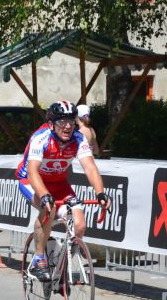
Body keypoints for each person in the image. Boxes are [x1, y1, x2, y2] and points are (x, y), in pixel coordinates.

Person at [16, 100, 111, 281]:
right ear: (51, 124)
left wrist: (100, 193)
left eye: (71, 121)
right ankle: (39, 259)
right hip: (31, 181)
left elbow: (90, 168)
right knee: (48, 209)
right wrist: (44, 196)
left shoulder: (78, 138)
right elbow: (32, 171)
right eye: (62, 122)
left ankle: (61, 267)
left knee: (79, 224)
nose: (68, 126)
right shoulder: (41, 138)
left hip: (59, 184)